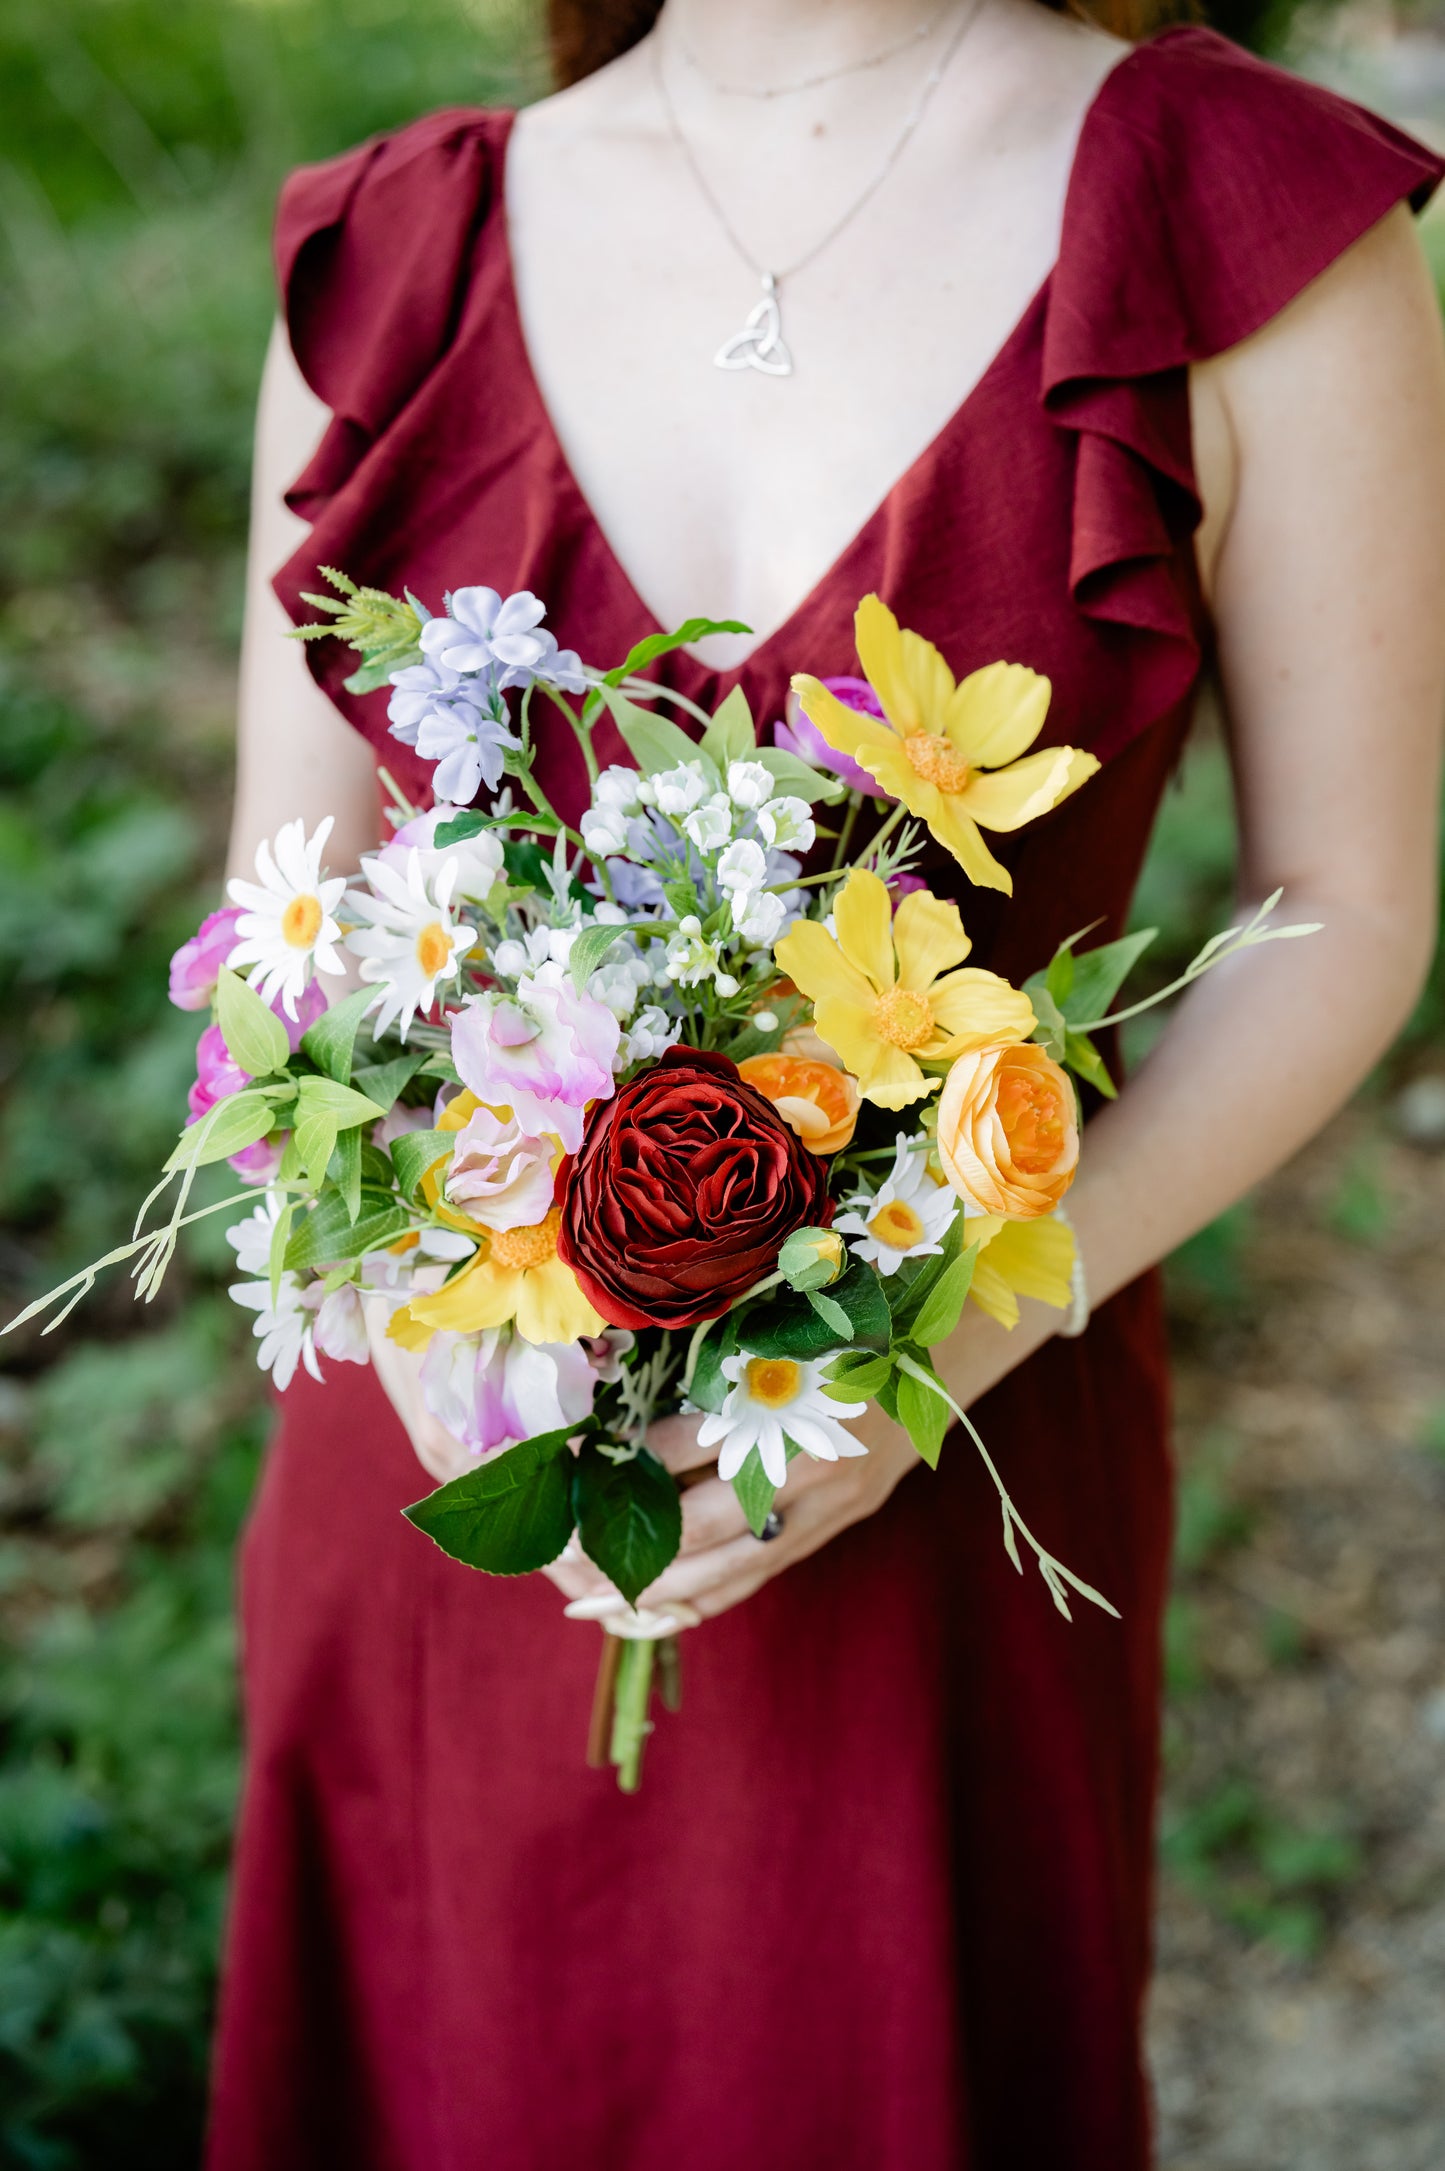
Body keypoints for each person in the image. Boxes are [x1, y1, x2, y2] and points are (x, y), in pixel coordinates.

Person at [208, 2, 1445, 2164]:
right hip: (446, 1476)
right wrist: (422, 1313)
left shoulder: (1246, 222)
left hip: (943, 1442)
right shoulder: (400, 252)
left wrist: (919, 1360)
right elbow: (271, 923)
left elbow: (1339, 905)